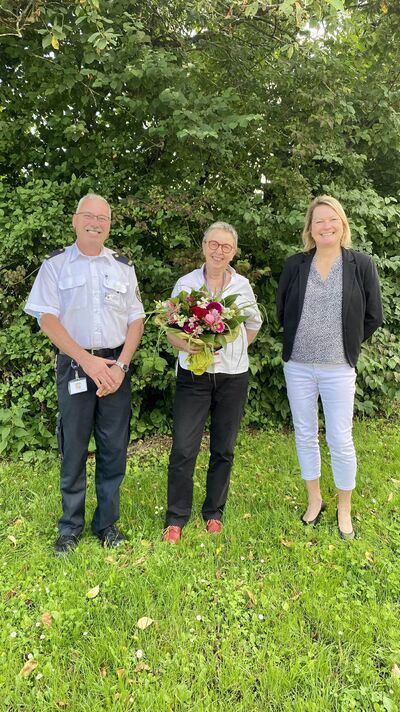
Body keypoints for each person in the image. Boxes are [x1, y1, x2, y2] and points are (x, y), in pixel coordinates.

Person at [25, 193, 145, 555]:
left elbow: (135, 319)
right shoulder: (56, 265)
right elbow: (46, 317)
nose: (96, 223)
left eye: (103, 218)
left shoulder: (123, 267)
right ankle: (70, 527)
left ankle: (107, 524)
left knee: (113, 449)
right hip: (76, 365)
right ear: (75, 220)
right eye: (89, 216)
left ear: (110, 224)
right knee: (74, 448)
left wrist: (121, 366)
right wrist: (87, 361)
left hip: (115, 368)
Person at [277, 195, 383, 540]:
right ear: (310, 229)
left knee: (340, 438)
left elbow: (373, 316)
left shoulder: (361, 264)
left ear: (342, 224)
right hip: (299, 366)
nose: (326, 226)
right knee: (305, 433)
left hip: (339, 367)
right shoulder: (295, 265)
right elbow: (282, 311)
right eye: (319, 220)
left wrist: (347, 344)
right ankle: (315, 500)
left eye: (332, 219)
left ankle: (344, 507)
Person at [162, 221, 262, 543]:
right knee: (183, 448)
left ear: (234, 251)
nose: (220, 251)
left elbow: (254, 323)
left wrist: (234, 347)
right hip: (194, 376)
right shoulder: (186, 284)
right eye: (214, 244)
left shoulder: (242, 286)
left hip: (233, 377)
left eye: (227, 247)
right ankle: (176, 518)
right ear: (204, 246)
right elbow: (171, 328)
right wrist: (188, 346)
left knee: (223, 448)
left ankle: (213, 513)